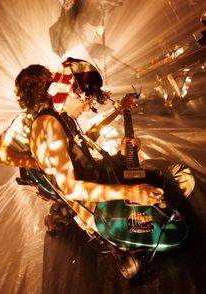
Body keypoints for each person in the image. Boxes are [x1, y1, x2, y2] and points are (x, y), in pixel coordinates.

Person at [29, 57, 165, 278]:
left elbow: (87, 149)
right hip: (94, 206)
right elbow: (71, 189)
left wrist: (120, 149)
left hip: (102, 184)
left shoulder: (63, 119)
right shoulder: (47, 125)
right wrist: (130, 192)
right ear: (69, 89)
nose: (87, 106)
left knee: (163, 177)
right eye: (84, 98)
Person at [0, 64, 54, 173]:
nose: (53, 81)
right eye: (48, 78)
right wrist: (35, 164)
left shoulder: (53, 107)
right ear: (38, 85)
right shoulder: (29, 117)